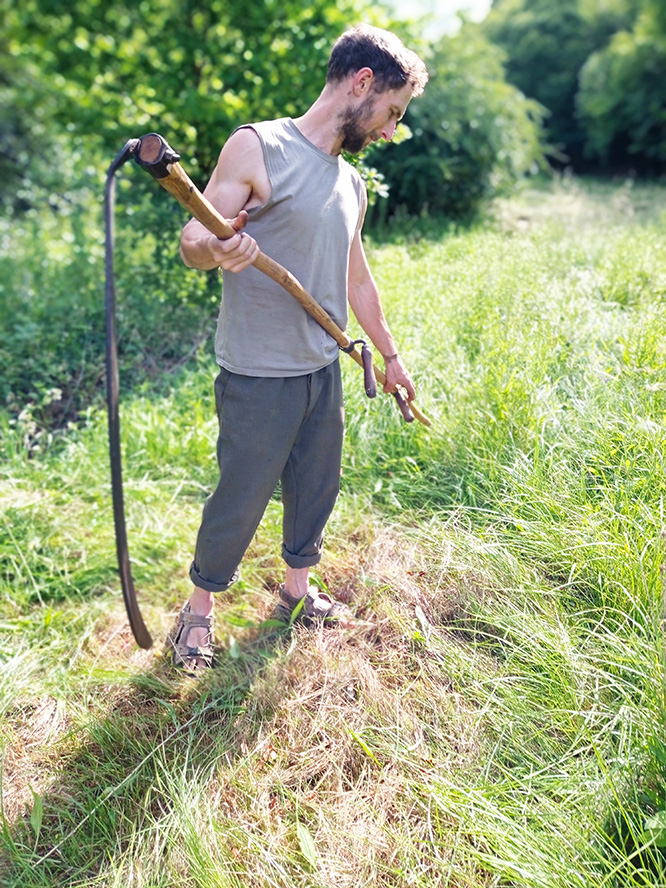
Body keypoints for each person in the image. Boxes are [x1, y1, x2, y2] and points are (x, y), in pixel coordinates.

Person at [172, 24, 428, 673]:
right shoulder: (259, 146)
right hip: (258, 371)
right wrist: (217, 246)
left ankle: (296, 592)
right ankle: (199, 609)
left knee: (316, 486)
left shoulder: (351, 183)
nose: (392, 130)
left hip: (322, 368)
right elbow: (191, 240)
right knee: (242, 493)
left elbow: (358, 277)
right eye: (393, 112)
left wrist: (392, 359)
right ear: (362, 82)